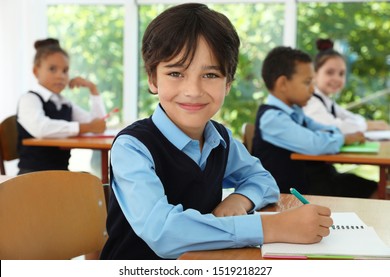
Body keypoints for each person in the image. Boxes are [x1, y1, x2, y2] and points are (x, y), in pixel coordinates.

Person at [100, 3, 333, 260]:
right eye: (176, 73)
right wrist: (272, 227)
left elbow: (264, 181)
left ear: (228, 83)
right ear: (153, 79)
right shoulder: (132, 147)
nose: (193, 90)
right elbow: (164, 233)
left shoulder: (219, 139)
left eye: (210, 75)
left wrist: (240, 199)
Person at [252, 46, 377, 198]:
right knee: (373, 190)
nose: (312, 89)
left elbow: (324, 129)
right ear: (283, 84)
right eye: (307, 82)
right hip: (292, 194)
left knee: (371, 186)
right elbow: (315, 144)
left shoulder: (296, 112)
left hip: (315, 181)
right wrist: (344, 138)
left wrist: (336, 135)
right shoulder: (272, 118)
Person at [17, 38, 106, 174]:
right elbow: (42, 128)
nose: (60, 76)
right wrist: (86, 127)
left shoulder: (64, 103)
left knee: (92, 181)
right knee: (90, 183)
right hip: (32, 176)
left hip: (60, 173)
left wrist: (93, 89)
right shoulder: (29, 99)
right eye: (52, 69)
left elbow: (97, 125)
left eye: (65, 70)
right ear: (36, 71)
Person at [303, 38, 389, 134]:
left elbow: (349, 116)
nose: (337, 78)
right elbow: (331, 127)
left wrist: (371, 124)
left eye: (341, 74)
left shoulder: (326, 101)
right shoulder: (310, 101)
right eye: (330, 72)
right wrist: (368, 125)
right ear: (314, 74)